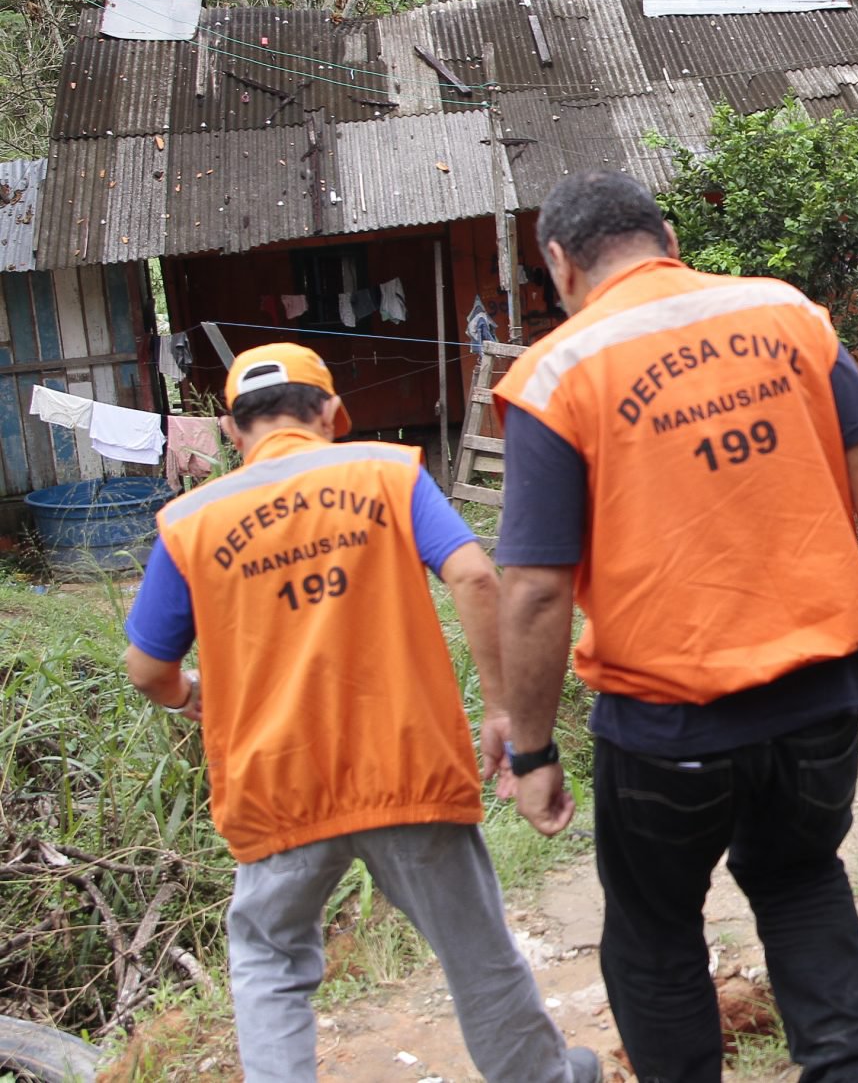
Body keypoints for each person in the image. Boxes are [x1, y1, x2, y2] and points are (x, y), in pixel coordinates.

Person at [494, 171, 858, 1083]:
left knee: (655, 929)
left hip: (670, 729)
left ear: (559, 262)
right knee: (800, 879)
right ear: (667, 234)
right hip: (821, 698)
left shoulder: (557, 373)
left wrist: (534, 751)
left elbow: (537, 591)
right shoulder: (788, 314)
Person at [122, 343, 597, 1083]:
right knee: (475, 947)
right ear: (334, 414)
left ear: (229, 428)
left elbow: (147, 668)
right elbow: (473, 572)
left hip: (277, 783)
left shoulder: (191, 522)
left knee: (271, 962)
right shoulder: (385, 472)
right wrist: (501, 706)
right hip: (404, 761)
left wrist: (191, 697)